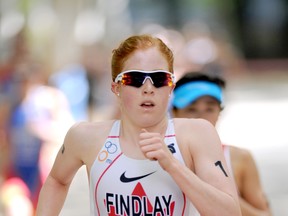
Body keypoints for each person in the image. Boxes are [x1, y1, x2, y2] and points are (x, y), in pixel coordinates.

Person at [36, 34, 241, 216]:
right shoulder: (85, 137)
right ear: (116, 88)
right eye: (134, 78)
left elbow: (230, 213)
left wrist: (173, 165)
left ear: (171, 87)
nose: (148, 88)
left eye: (159, 78)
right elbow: (56, 181)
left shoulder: (197, 134)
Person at [171, 71, 273, 216]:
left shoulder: (239, 158)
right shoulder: (160, 155)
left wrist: (222, 196)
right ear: (174, 112)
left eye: (209, 109)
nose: (201, 117)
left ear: (220, 112)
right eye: (191, 109)